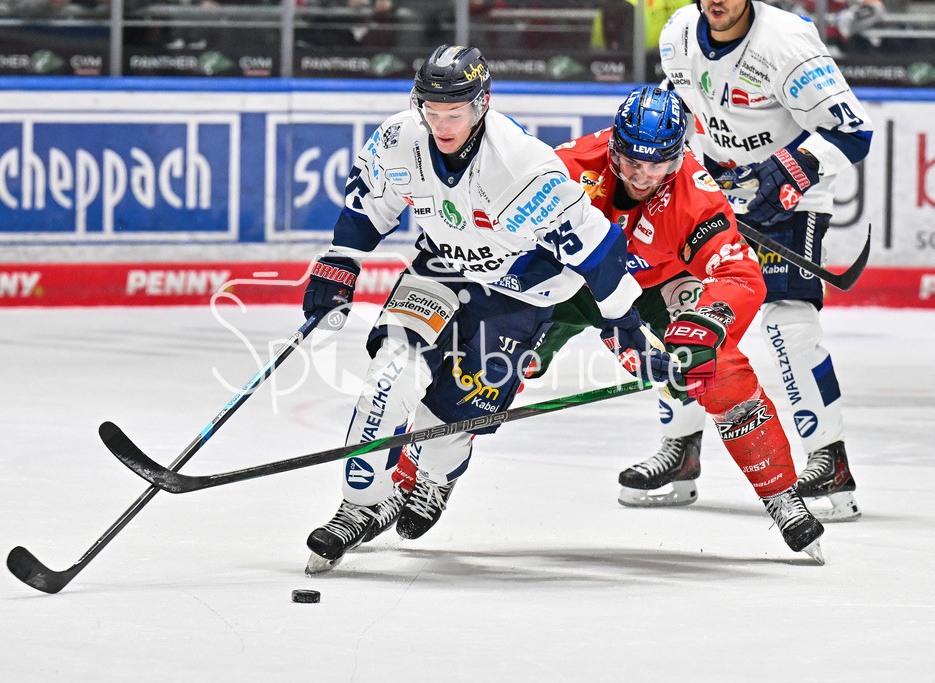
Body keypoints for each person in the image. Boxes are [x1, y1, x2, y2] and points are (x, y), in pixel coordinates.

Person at [300, 44, 673, 574]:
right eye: (431, 111)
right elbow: (370, 204)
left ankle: (434, 478)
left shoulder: (521, 167)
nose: (441, 124)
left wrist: (627, 324)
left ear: (482, 104)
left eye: (453, 113)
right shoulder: (398, 138)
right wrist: (339, 262)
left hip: (521, 290)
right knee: (390, 372)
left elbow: (601, 250)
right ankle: (357, 505)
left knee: (453, 413)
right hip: (442, 267)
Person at [534, 85, 825, 562]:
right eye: (631, 161)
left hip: (657, 284)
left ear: (679, 155)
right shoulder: (565, 169)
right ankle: (411, 479)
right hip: (568, 282)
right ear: (613, 146)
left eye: (658, 165)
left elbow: (737, 273)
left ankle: (781, 496)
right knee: (493, 363)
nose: (642, 175)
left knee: (719, 369)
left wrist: (708, 325)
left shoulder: (695, 195)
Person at [635, 0, 873, 522]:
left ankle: (828, 458)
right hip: (713, 197)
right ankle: (681, 448)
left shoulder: (784, 41)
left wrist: (790, 169)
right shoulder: (677, 34)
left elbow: (853, 132)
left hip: (789, 199)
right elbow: (687, 116)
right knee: (684, 313)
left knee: (789, 323)